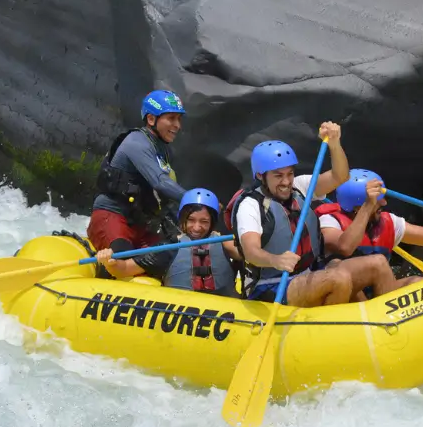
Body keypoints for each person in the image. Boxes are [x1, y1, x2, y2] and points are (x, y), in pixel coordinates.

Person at [225, 122, 401, 307]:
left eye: (289, 174)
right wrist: (275, 260)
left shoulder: (299, 187)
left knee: (378, 263)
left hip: (310, 272)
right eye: (278, 176)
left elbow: (340, 176)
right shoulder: (250, 205)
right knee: (338, 279)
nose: (286, 182)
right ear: (261, 176)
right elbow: (251, 251)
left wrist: (334, 144)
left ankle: (389, 321)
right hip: (271, 285)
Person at [315, 168, 423, 294]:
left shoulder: (387, 222)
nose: (384, 204)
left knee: (421, 284)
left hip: (377, 293)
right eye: (377, 201)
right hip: (346, 295)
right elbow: (345, 247)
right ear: (358, 207)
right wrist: (367, 208)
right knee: (377, 263)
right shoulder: (329, 221)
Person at [87, 89, 188, 254]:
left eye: (179, 119)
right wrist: (194, 199)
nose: (177, 125)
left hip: (139, 225)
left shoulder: (164, 151)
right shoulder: (136, 143)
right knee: (124, 261)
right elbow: (160, 183)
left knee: (174, 255)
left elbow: (166, 199)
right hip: (110, 217)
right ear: (151, 119)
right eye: (171, 118)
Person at [96, 188, 241, 297]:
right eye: (191, 220)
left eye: (204, 222)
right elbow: (124, 269)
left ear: (212, 222)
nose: (197, 227)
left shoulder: (224, 243)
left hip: (224, 313)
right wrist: (109, 262)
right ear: (182, 219)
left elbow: (248, 253)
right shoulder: (169, 248)